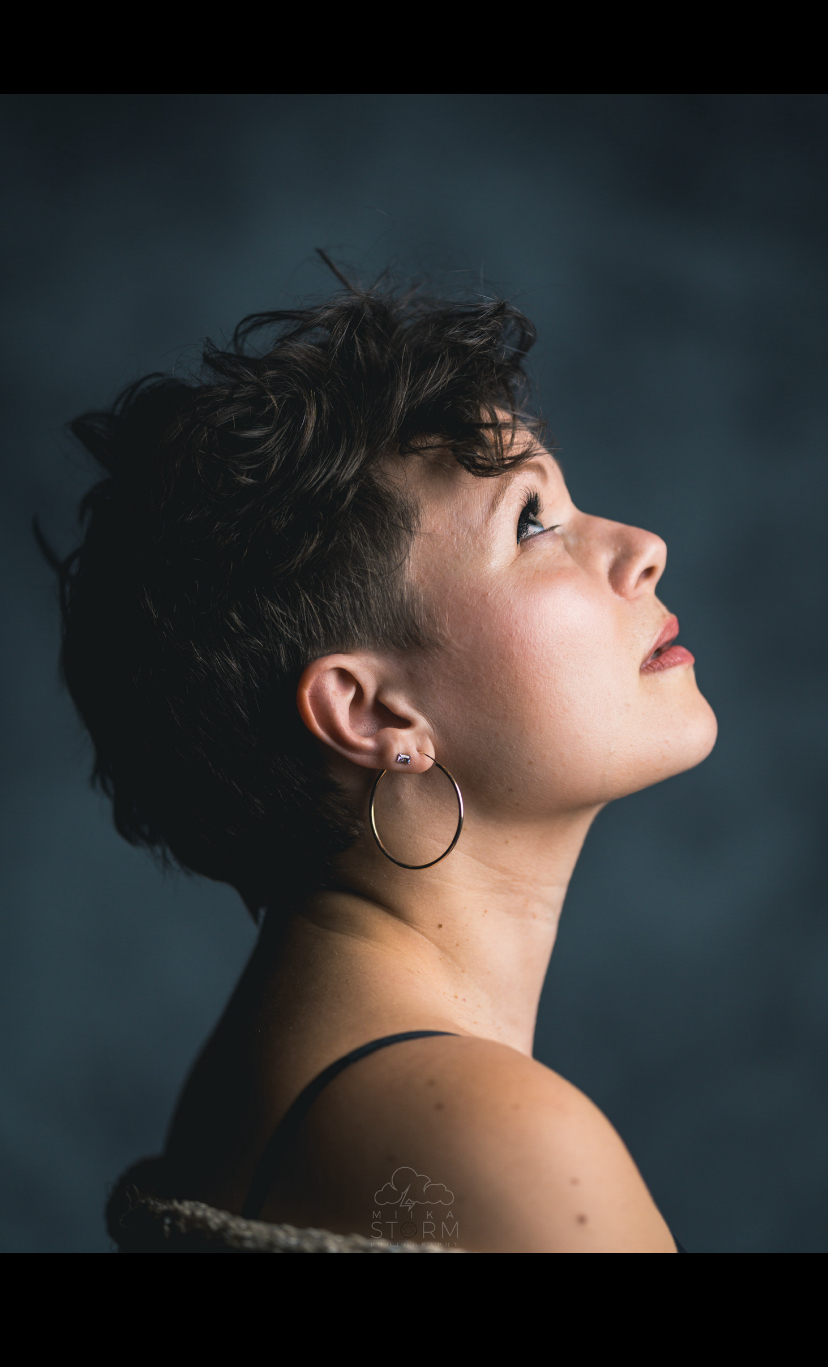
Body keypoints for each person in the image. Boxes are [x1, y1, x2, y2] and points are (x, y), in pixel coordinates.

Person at [53, 267, 717, 1252]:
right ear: (369, 711)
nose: (643, 546)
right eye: (532, 521)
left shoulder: (265, 1067)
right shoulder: (508, 1144)